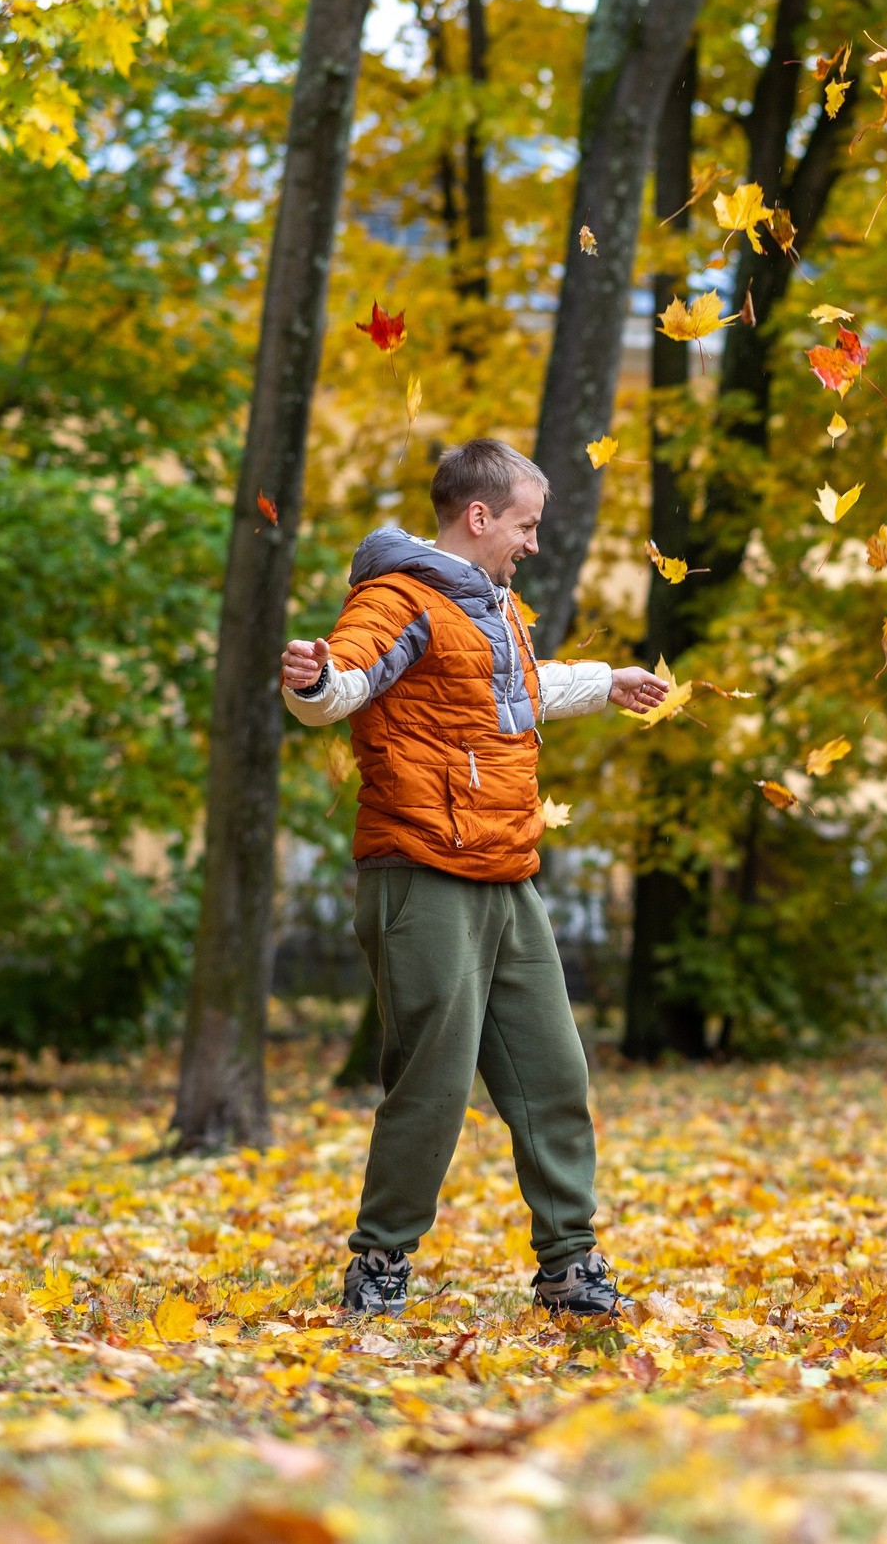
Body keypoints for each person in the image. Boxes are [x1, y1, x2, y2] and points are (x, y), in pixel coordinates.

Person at [278, 437, 669, 1320]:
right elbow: (343, 680)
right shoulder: (400, 598)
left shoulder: (491, 609)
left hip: (503, 868)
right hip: (421, 870)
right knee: (435, 1083)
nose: (533, 543)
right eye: (525, 524)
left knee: (553, 1073)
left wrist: (609, 682)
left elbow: (517, 691)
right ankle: (379, 1263)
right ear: (480, 515)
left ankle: (569, 1265)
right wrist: (311, 681)